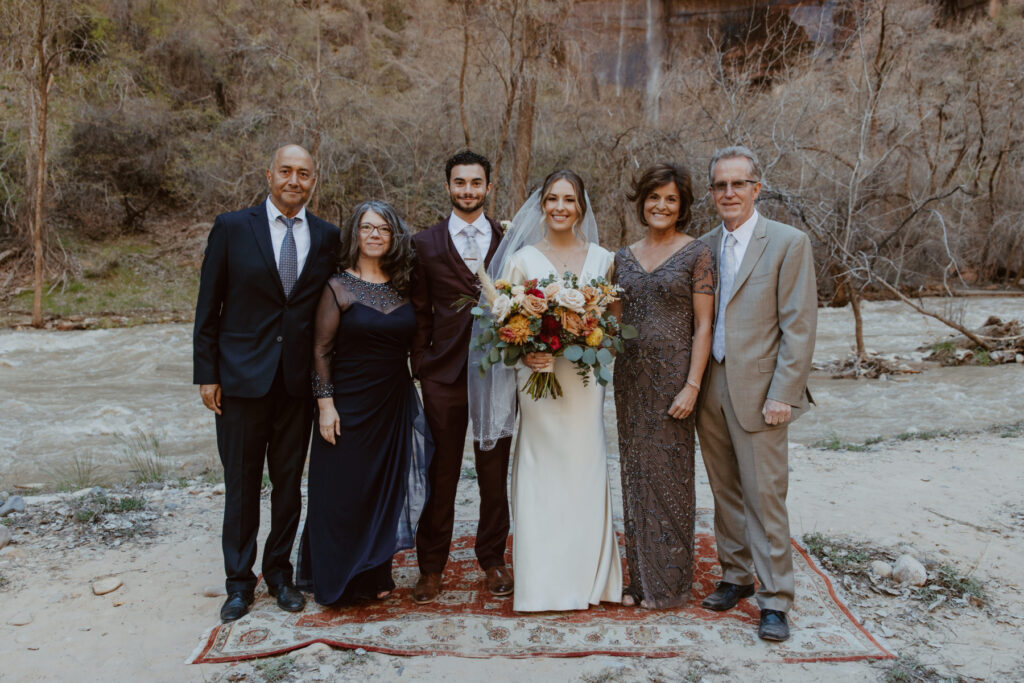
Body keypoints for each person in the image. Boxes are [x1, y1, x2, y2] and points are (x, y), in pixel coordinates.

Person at [193, 144, 341, 622]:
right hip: (239, 381)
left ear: (313, 181)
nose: (294, 180)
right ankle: (239, 583)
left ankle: (279, 574)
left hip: (296, 385)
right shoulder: (233, 228)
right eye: (286, 171)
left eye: (303, 173)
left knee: (287, 485)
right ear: (269, 174)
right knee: (240, 485)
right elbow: (207, 306)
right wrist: (207, 373)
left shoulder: (326, 237)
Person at [476, 169, 622, 612]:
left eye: (570, 199)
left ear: (581, 207)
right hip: (537, 380)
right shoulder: (521, 259)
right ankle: (541, 584)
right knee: (541, 469)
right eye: (553, 198)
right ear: (542, 205)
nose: (561, 207)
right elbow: (500, 326)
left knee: (585, 467)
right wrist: (526, 354)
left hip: (581, 384)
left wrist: (593, 340)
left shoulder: (604, 259)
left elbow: (614, 327)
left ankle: (590, 580)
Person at [695, 145, 817, 642]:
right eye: (720, 185)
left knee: (766, 497)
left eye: (738, 184)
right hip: (711, 386)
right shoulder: (702, 245)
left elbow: (800, 326)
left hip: (764, 389)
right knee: (725, 492)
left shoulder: (788, 243)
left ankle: (775, 600)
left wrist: (783, 392)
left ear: (756, 188)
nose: (729, 193)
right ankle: (736, 577)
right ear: (712, 193)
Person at [295, 200, 431, 606]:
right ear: (354, 233)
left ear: (394, 237)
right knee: (342, 490)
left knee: (383, 490)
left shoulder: (401, 284)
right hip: (349, 404)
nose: (375, 235)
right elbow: (320, 350)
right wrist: (325, 406)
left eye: (384, 229)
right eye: (367, 227)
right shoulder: (337, 287)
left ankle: (375, 571)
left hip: (393, 402)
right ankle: (338, 577)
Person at [409, 151, 514, 604]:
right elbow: (417, 312)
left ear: (489, 188)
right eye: (459, 182)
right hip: (444, 375)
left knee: (494, 473)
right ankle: (431, 567)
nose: (468, 190)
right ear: (448, 186)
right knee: (441, 474)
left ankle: (492, 558)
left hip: (497, 371)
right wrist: (422, 367)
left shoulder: (510, 240)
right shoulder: (424, 244)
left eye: (476, 183)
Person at [613, 163, 714, 609]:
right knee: (635, 475)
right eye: (654, 197)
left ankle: (670, 586)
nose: (661, 205)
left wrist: (693, 385)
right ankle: (640, 581)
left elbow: (705, 325)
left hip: (675, 380)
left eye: (671, 199)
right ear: (642, 202)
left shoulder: (697, 253)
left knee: (670, 479)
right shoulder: (622, 257)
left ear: (682, 207)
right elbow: (613, 323)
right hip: (630, 380)